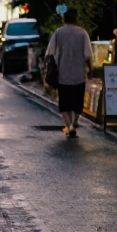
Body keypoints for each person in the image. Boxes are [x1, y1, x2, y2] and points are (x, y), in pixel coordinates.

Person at [45, 9, 93, 138]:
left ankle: (67, 125)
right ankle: (74, 124)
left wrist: (47, 69)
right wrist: (90, 70)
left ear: (64, 19)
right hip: (79, 72)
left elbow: (49, 53)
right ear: (75, 19)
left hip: (62, 73)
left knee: (65, 101)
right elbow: (88, 54)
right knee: (77, 100)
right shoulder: (82, 33)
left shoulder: (58, 33)